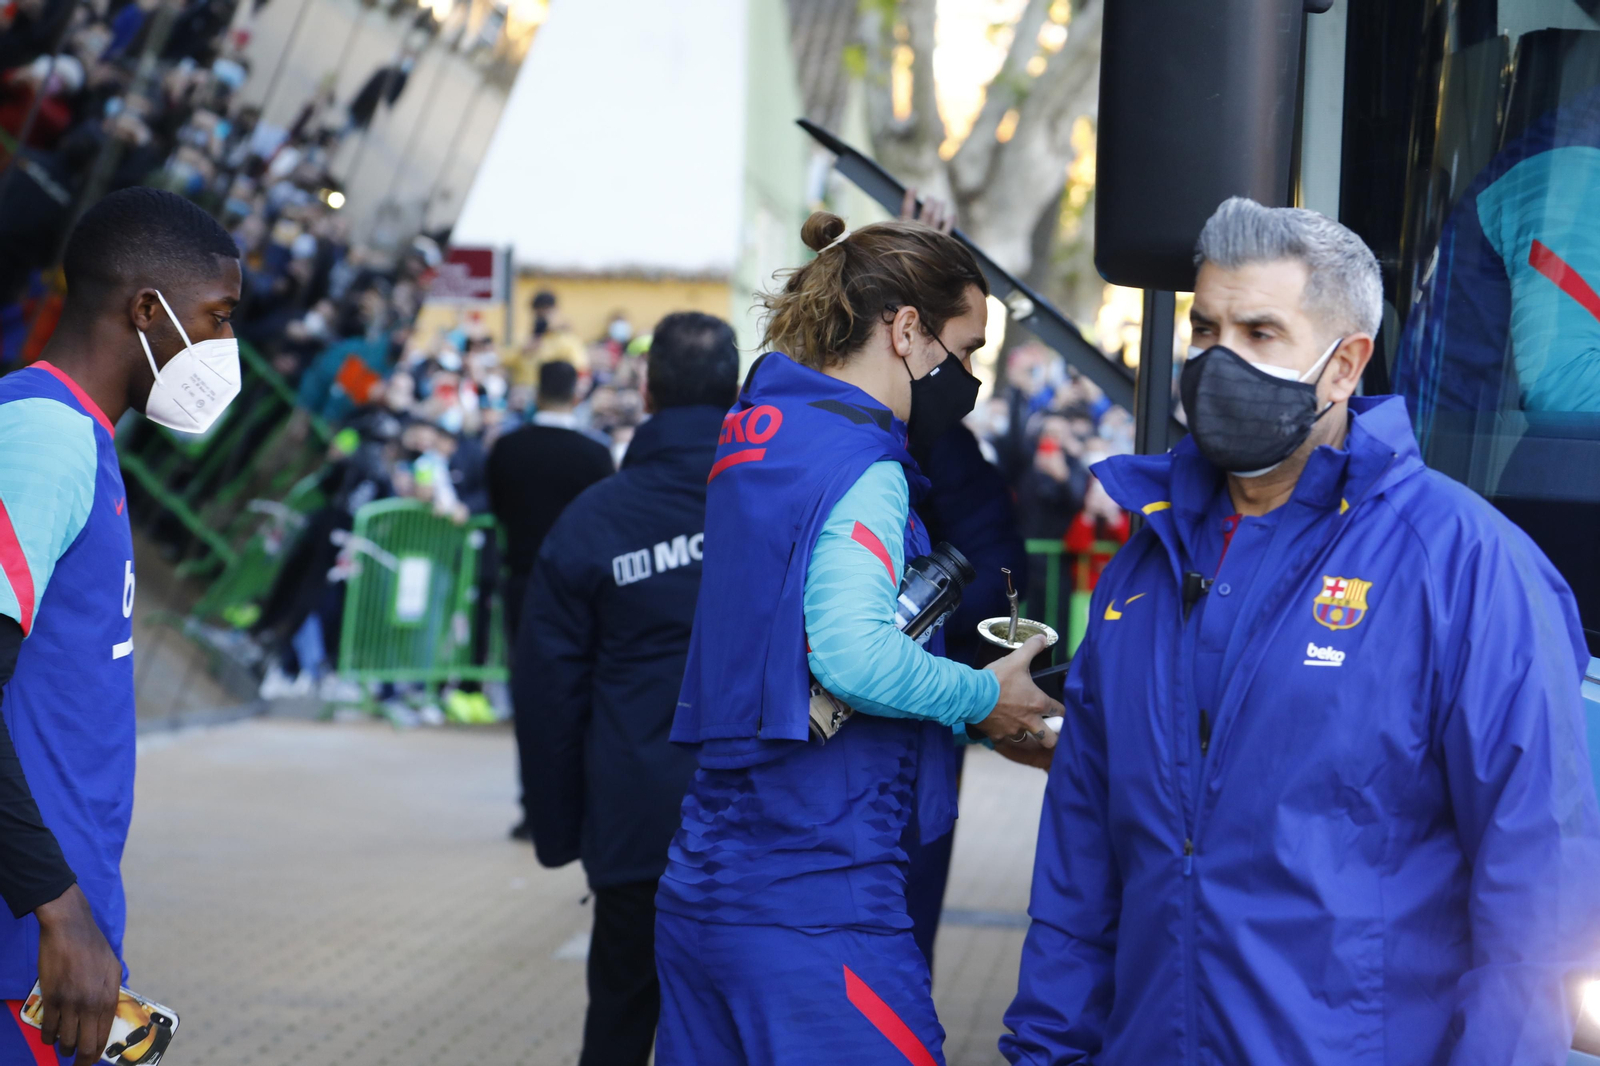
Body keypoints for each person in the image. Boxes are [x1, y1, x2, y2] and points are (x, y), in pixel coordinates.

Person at [1001, 197, 1600, 1065]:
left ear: (1344, 366)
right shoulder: (1145, 567)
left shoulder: (1466, 567)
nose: (1217, 360)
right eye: (1206, 329)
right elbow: (1079, 867)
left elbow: (1536, 895)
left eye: (1260, 332)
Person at [652, 210, 1063, 1066]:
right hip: (815, 898)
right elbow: (854, 656)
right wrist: (987, 696)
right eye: (969, 347)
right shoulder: (863, 465)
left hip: (702, 886)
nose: (971, 376)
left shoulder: (757, 433)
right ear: (907, 330)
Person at [0, 186, 242, 1065]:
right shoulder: (43, 439)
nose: (226, 347)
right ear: (147, 309)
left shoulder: (81, 439)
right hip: (28, 941)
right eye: (218, 318)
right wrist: (58, 912)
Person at [517, 311, 740, 1066]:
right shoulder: (782, 509)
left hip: (637, 822)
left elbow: (549, 692)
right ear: (735, 391)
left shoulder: (595, 521)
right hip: (767, 817)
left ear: (647, 392)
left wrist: (560, 828)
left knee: (620, 1017)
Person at [487, 359, 613, 839]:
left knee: (530, 697)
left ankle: (534, 807)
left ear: (537, 392)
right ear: (576, 394)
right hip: (583, 590)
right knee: (585, 692)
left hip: (524, 583)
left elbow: (498, 509)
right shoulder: (593, 454)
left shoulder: (508, 450)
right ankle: (584, 805)